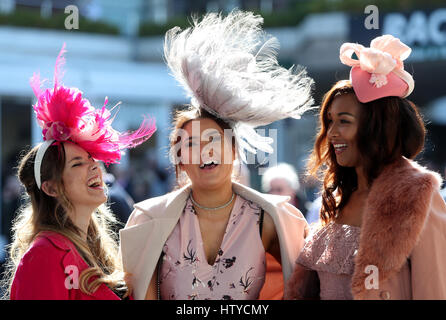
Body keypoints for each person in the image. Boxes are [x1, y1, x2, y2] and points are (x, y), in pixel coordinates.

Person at [120, 10, 314, 300]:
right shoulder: (149, 218)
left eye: (213, 140)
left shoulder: (273, 219)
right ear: (179, 158)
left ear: (234, 149)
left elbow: (301, 287)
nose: (204, 152)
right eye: (191, 144)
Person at [285, 35, 446, 300]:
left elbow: (434, 292)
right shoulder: (336, 196)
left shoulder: (419, 194)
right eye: (329, 122)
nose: (331, 133)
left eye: (344, 121)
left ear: (377, 126)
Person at [1, 45, 156, 300]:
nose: (95, 166)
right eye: (77, 164)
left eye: (91, 158)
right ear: (50, 188)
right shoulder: (43, 254)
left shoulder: (96, 249)